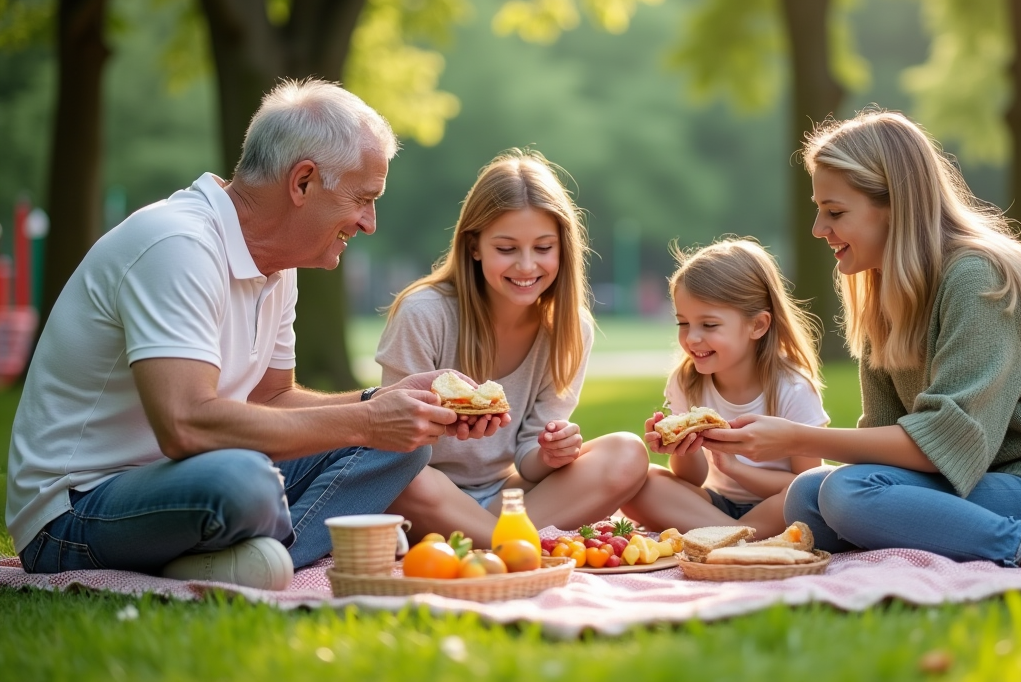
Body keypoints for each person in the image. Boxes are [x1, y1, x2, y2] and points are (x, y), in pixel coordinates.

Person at [6, 79, 491, 590]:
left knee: (403, 444)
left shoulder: (278, 266)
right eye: (362, 199)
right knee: (244, 479)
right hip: (77, 512)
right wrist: (368, 420)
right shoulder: (178, 244)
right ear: (303, 182)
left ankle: (254, 556)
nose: (369, 222)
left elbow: (272, 398)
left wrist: (384, 402)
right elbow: (186, 426)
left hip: (196, 480)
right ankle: (282, 547)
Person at [703, 110, 1021, 569]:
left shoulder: (977, 278)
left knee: (846, 492)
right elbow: (882, 443)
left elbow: (944, 445)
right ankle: (952, 531)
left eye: (835, 212)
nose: (819, 228)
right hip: (988, 476)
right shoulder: (883, 296)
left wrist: (795, 439)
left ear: (895, 205)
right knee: (808, 497)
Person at [375, 149, 648, 544]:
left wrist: (550, 454)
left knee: (628, 453)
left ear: (563, 247)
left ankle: (487, 540)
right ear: (474, 246)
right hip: (428, 491)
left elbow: (528, 461)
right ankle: (517, 544)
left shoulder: (571, 329)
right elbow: (394, 445)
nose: (526, 266)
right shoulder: (424, 313)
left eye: (542, 248)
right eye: (506, 249)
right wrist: (449, 422)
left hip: (506, 496)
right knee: (406, 481)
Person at [621, 238, 828, 536]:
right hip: (714, 505)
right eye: (683, 323)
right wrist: (681, 448)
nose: (691, 339)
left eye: (709, 325)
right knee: (642, 481)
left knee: (818, 493)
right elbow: (691, 479)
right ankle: (737, 534)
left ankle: (726, 534)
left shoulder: (792, 388)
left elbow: (807, 485)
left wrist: (734, 468)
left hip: (777, 504)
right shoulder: (687, 381)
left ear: (757, 325)